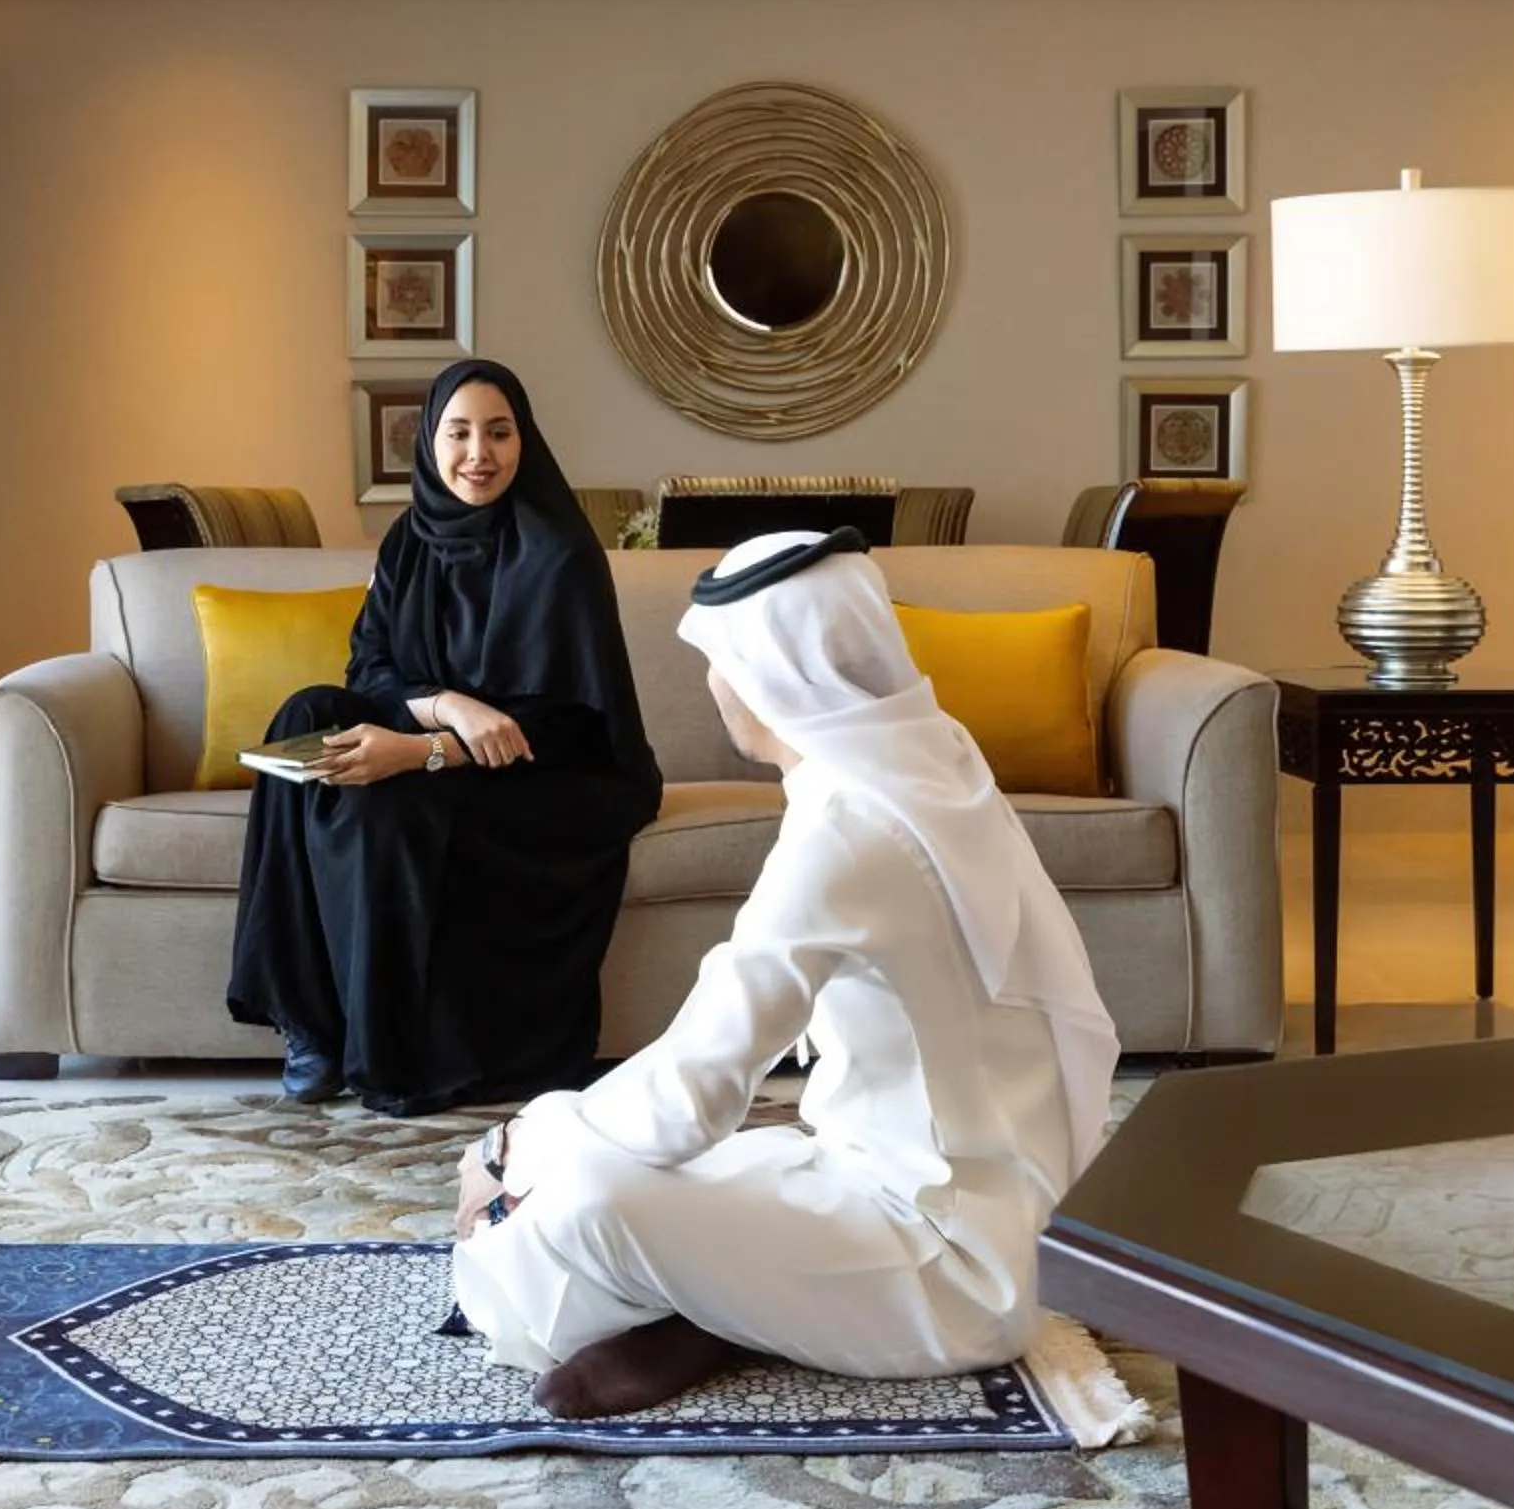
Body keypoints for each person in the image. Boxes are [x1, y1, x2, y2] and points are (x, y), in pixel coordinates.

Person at [445, 528, 1121, 1418]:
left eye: (719, 661)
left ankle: (726, 1314)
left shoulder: (847, 827)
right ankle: (734, 1313)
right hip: (1000, 1214)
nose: (713, 684)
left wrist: (516, 1142)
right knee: (734, 1165)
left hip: (950, 1275)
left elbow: (691, 1096)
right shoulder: (931, 755)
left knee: (570, 1205)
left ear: (766, 674)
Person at [226, 358, 662, 1116]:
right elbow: (371, 664)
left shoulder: (560, 554)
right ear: (430, 441)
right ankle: (308, 1025)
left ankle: (380, 1050)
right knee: (305, 714)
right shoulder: (409, 541)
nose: (478, 455)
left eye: (499, 433)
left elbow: (574, 722)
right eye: (458, 433)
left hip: (546, 774)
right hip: (448, 736)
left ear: (524, 441)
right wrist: (446, 709)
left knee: (388, 808)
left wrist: (424, 751)